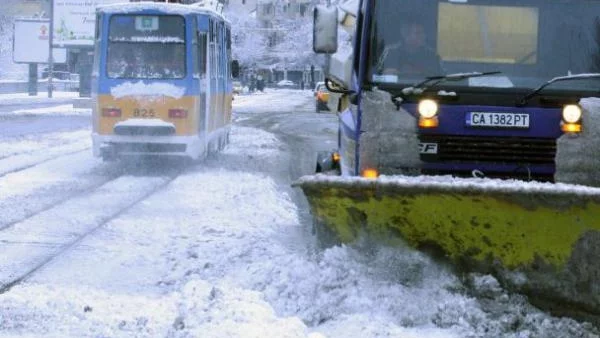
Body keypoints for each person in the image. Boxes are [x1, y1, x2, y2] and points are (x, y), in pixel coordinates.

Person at [378, 19, 443, 77]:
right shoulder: (390, 52)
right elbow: (380, 75)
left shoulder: (432, 55)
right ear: (406, 35)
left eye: (423, 33)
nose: (423, 36)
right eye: (418, 33)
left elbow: (439, 77)